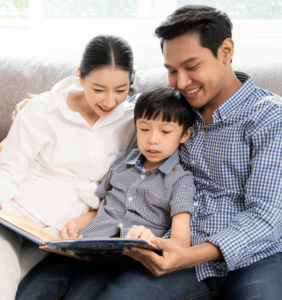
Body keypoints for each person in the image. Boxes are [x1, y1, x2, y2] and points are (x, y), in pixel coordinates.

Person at [15, 5, 282, 300]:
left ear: (226, 50)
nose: (181, 82)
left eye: (192, 67)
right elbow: (111, 95)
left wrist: (189, 255)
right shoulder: (172, 107)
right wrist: (43, 106)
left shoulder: (269, 117)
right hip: (174, 252)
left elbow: (266, 217)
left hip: (255, 255)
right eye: (171, 71)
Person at [0, 34, 138, 300]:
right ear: (80, 76)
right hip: (20, 214)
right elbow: (9, 170)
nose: (110, 101)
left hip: (65, 232)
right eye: (98, 89)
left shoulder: (134, 119)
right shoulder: (43, 108)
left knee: (5, 277)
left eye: (120, 90)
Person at [61, 85, 195, 246]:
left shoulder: (181, 181)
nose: (152, 139)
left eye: (165, 132)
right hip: (88, 243)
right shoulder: (122, 162)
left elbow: (181, 242)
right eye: (144, 129)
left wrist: (152, 240)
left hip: (134, 256)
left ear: (185, 134)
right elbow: (102, 210)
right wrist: (75, 224)